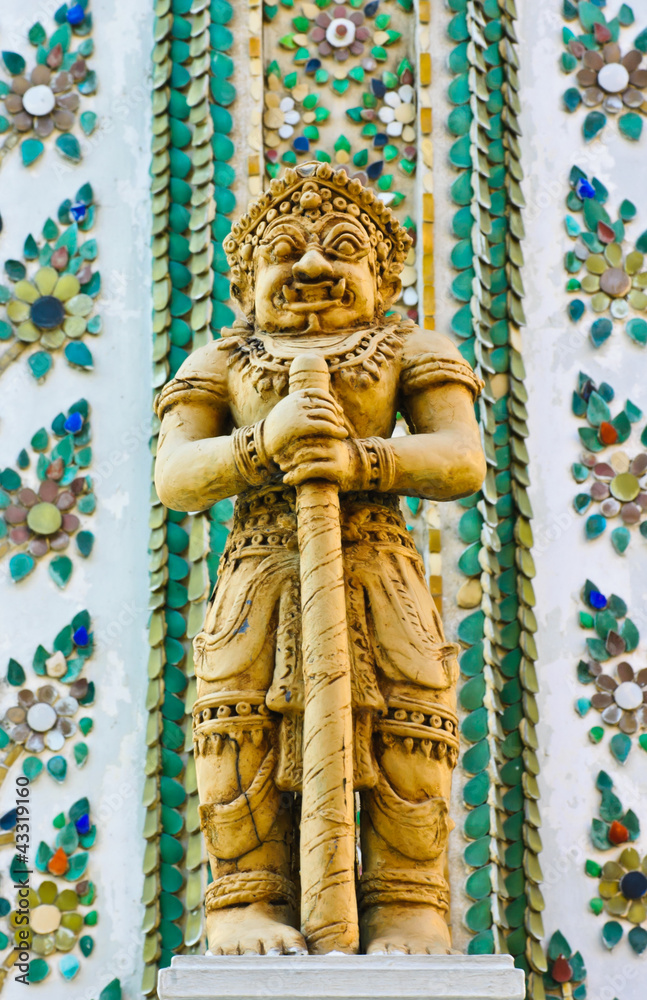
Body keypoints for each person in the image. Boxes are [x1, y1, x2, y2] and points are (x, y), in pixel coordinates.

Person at [154, 162, 485, 956]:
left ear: (380, 276)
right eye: (285, 253)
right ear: (248, 281)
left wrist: (364, 462)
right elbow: (175, 476)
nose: (310, 267)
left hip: (374, 563)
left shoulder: (409, 347)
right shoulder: (225, 359)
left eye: (340, 249)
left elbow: (460, 458)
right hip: (262, 567)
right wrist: (257, 446)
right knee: (239, 725)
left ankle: (406, 904)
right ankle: (246, 900)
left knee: (408, 719)